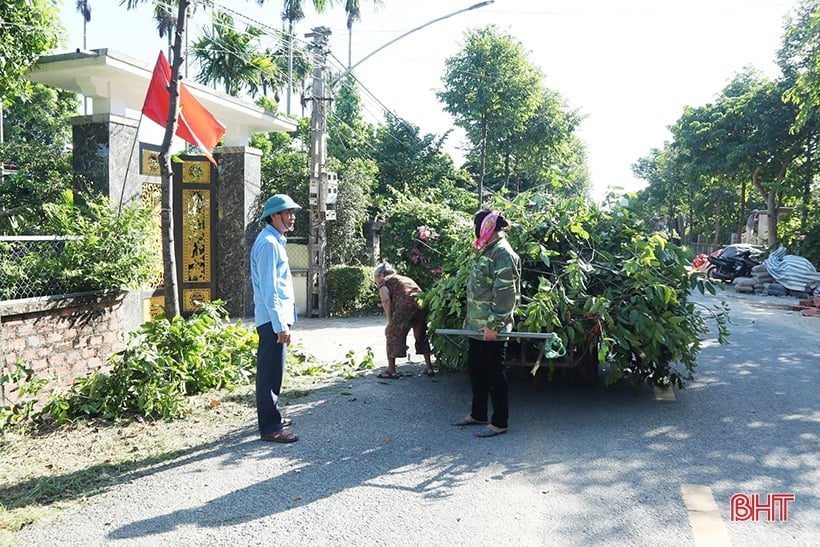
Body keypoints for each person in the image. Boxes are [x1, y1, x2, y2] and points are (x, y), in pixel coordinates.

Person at [453, 210, 521, 438]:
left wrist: (495, 325)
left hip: (492, 328)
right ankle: (478, 414)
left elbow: (505, 294)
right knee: (475, 371)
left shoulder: (502, 253)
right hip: (477, 327)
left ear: (486, 227)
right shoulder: (488, 250)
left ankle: (500, 422)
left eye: (477, 224)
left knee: (494, 374)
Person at [250, 194, 301, 443]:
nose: (292, 218)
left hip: (273, 318)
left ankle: (274, 417)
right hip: (272, 319)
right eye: (287, 213)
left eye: (292, 213)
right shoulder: (269, 244)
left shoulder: (274, 240)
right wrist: (280, 324)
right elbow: (270, 289)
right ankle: (270, 427)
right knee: (270, 374)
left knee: (274, 371)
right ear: (273, 216)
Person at [374, 260, 435, 379]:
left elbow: (386, 300)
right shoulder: (403, 278)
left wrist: (390, 321)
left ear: (381, 275)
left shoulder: (384, 282)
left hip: (405, 306)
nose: (376, 281)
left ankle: (391, 371)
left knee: (391, 333)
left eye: (375, 277)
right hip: (422, 303)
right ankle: (429, 368)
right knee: (421, 334)